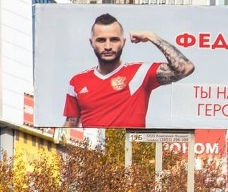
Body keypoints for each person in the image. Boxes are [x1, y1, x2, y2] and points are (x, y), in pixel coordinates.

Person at [63, 13, 195, 128]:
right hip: (93, 155)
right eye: (101, 40)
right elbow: (71, 125)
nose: (108, 46)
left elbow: (185, 68)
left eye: (114, 39)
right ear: (91, 42)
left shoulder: (140, 72)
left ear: (123, 42)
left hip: (131, 154)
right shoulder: (77, 81)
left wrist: (151, 37)